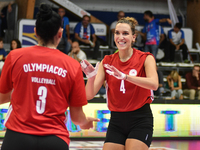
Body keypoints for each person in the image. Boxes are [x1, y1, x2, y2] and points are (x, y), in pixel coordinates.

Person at [0, 4, 99, 150]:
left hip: (17, 136)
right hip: (54, 139)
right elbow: (77, 117)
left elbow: (2, 98)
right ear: (60, 34)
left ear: (35, 32)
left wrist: (22, 91)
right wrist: (85, 122)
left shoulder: (14, 56)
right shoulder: (71, 65)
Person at [81, 17, 158, 150]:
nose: (120, 37)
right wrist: (91, 77)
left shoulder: (146, 58)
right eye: (117, 33)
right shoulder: (107, 61)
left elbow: (154, 84)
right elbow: (89, 95)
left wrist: (125, 77)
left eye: (125, 33)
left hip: (140, 119)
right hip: (116, 121)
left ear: (134, 37)